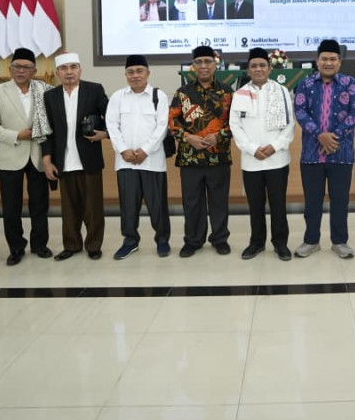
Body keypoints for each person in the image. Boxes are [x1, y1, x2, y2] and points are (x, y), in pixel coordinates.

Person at [0, 47, 53, 265]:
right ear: (10, 69)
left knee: (39, 203)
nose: (21, 70)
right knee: (11, 206)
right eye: (17, 67)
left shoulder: (46, 90)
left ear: (34, 70)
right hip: (10, 155)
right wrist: (17, 135)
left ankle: (40, 244)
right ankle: (16, 248)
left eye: (26, 67)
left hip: (38, 155)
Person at [294, 39, 355, 259]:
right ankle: (311, 240)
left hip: (341, 154)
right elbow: (300, 111)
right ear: (317, 61)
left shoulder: (350, 84)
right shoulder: (305, 84)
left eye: (333, 59)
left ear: (340, 62)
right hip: (311, 155)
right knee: (312, 201)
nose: (328, 62)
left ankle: (340, 242)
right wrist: (320, 135)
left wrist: (333, 138)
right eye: (324, 58)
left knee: (340, 200)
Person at [41, 52, 109, 261]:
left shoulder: (94, 90)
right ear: (57, 73)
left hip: (88, 158)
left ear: (80, 69)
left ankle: (94, 245)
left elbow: (111, 117)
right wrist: (47, 159)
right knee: (69, 208)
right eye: (64, 68)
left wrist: (105, 134)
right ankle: (71, 245)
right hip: (64, 160)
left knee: (93, 206)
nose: (69, 72)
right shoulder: (50, 96)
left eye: (73, 67)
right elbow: (47, 129)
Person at [230, 47, 296, 261]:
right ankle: (256, 242)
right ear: (248, 70)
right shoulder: (240, 94)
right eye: (254, 66)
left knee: (278, 205)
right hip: (252, 162)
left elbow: (289, 124)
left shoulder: (282, 91)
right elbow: (235, 125)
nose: (258, 69)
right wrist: (251, 148)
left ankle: (280, 243)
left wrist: (274, 146)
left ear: (269, 68)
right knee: (255, 205)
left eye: (262, 65)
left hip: (277, 159)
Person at [169, 45, 233, 257]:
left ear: (215, 65)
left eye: (208, 62)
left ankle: (220, 238)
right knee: (192, 202)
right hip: (190, 159)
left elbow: (238, 123)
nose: (203, 66)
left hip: (219, 157)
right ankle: (193, 240)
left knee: (219, 202)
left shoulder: (227, 92)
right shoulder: (182, 93)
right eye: (199, 62)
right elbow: (172, 121)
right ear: (193, 66)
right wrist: (188, 137)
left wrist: (219, 135)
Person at [105, 54, 172, 259]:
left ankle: (162, 240)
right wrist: (124, 150)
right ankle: (130, 241)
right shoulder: (117, 97)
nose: (135, 75)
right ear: (126, 75)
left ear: (148, 73)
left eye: (139, 71)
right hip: (125, 163)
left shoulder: (158, 96)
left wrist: (144, 150)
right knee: (128, 205)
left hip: (152, 161)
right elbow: (111, 125)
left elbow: (162, 127)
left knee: (157, 205)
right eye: (131, 72)